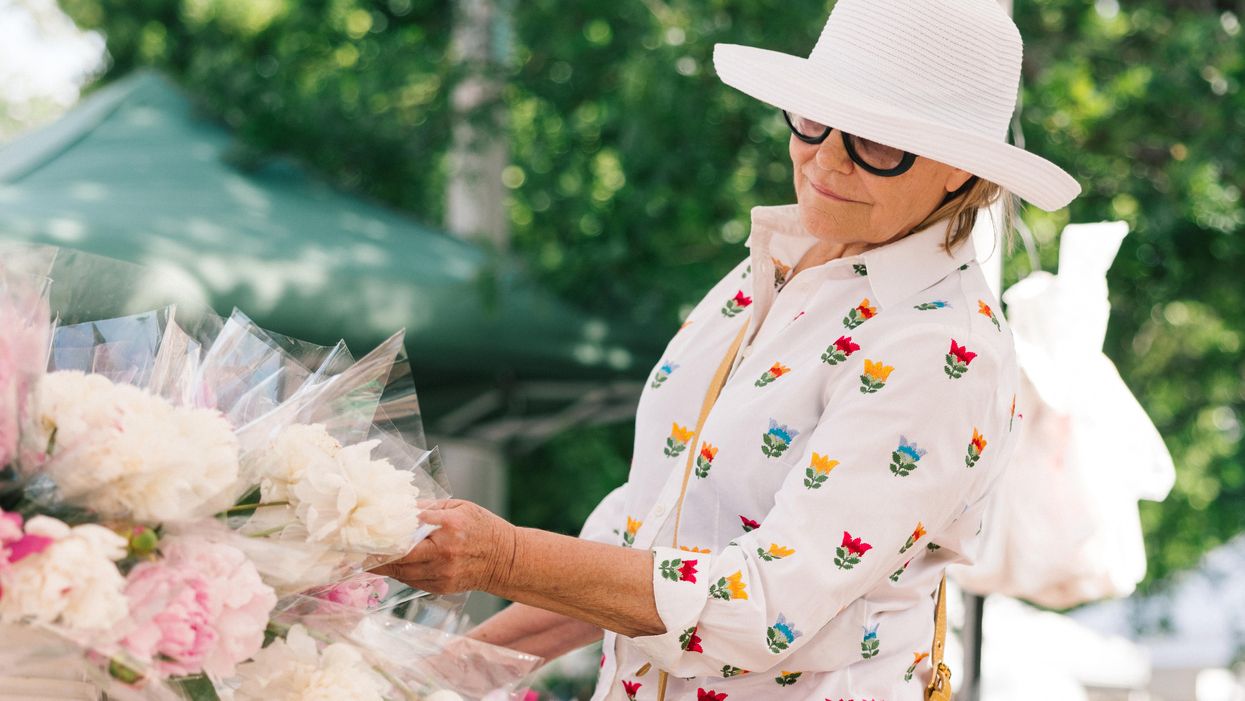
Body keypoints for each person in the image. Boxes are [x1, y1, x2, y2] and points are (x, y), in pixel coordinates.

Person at [372, 0, 1081, 697]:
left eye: (879, 143)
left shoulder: (942, 348)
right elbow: (637, 544)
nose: (826, 158)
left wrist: (502, 557)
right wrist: (408, 678)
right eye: (814, 118)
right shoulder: (774, 267)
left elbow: (762, 608)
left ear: (960, 170)